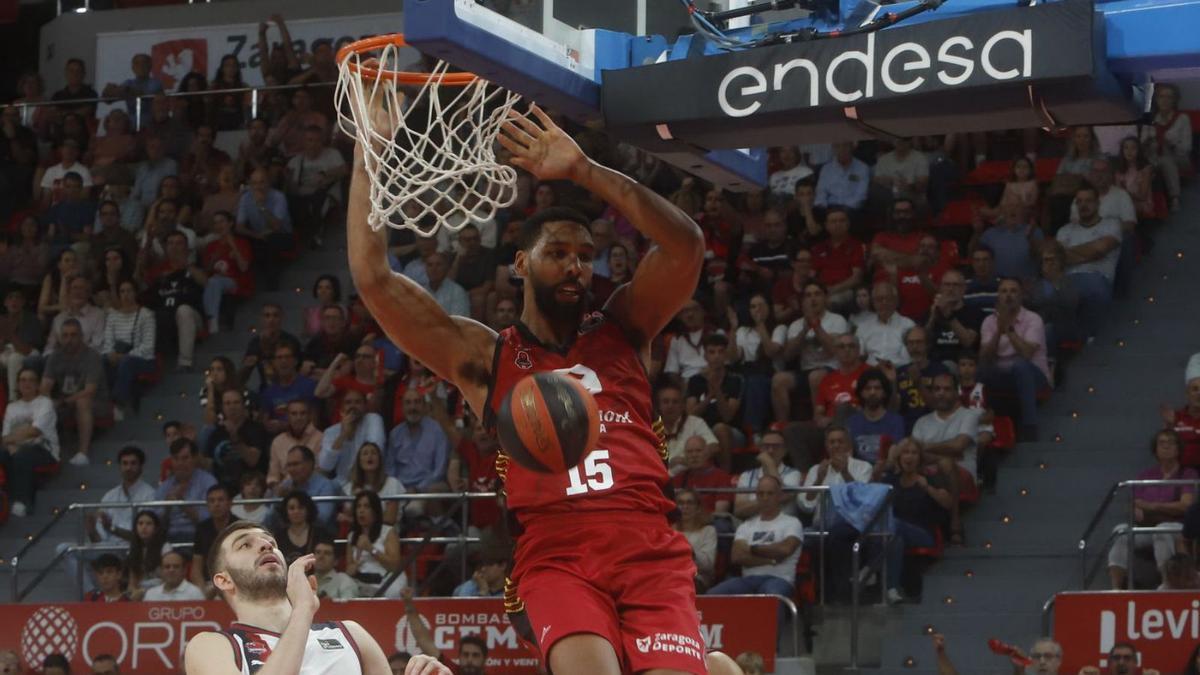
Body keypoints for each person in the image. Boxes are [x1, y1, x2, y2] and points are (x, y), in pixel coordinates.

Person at [349, 103, 714, 673]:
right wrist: (370, 152)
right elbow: (373, 279)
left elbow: (687, 245)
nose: (576, 267)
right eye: (559, 254)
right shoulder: (484, 356)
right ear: (520, 263)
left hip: (649, 546)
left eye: (587, 257)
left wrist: (586, 170)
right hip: (557, 553)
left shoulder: (625, 326)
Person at [183, 521, 417, 674]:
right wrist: (303, 610)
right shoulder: (210, 646)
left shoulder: (351, 634)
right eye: (245, 544)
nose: (266, 546)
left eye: (270, 543)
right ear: (223, 580)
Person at [707, 475, 803, 629]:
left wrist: (752, 549)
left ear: (779, 496)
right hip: (748, 579)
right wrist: (770, 559)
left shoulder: (792, 523)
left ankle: (772, 650)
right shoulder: (746, 525)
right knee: (713, 595)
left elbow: (784, 550)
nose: (765, 498)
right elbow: (737, 557)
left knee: (770, 596)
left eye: (770, 493)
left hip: (779, 579)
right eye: (761, 493)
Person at [1108, 430, 1197, 589]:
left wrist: (1151, 506)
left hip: (1177, 527)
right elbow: (1133, 503)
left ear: (1178, 449)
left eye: (1171, 443)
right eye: (1162, 443)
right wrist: (1135, 510)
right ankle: (1116, 588)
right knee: (1120, 531)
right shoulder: (1145, 475)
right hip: (1147, 526)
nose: (1166, 446)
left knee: (1162, 530)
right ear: (1155, 449)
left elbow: (1185, 506)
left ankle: (1167, 583)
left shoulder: (1188, 474)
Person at [912, 372, 980, 545]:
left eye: (947, 389)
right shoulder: (922, 422)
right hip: (928, 473)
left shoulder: (969, 416)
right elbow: (915, 454)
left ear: (957, 392)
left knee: (945, 463)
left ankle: (954, 521)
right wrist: (946, 451)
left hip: (963, 475)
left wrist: (926, 447)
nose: (941, 393)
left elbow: (959, 446)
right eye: (937, 389)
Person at [881, 438, 952, 602]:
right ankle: (891, 589)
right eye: (905, 452)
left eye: (914, 453)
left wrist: (927, 488)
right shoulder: (891, 481)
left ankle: (869, 567)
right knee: (896, 540)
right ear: (899, 457)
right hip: (895, 533)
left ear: (920, 458)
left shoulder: (929, 478)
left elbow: (947, 503)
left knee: (894, 524)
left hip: (924, 533)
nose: (909, 457)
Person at [979, 278, 1050, 441]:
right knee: (981, 370)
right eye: (1004, 291)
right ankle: (981, 423)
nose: (1008, 295)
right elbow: (985, 357)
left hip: (1033, 375)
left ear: (1021, 296)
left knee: (1020, 366)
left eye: (1013, 291)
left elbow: (1026, 354)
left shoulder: (1033, 319)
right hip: (1002, 374)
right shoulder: (989, 321)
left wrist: (1009, 329)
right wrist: (998, 330)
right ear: (998, 296)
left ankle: (1029, 426)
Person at [41, 319, 109, 466]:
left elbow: (90, 390)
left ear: (81, 336)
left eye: (73, 335)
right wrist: (47, 400)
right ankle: (43, 452)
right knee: (41, 402)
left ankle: (83, 453)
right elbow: (45, 386)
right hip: (65, 402)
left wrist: (62, 402)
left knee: (82, 401)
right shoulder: (55, 357)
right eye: (65, 335)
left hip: (96, 403)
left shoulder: (92, 356)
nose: (69, 340)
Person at [1056, 185, 1121, 338]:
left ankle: (1089, 339)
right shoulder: (1064, 230)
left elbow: (1099, 250)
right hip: (1067, 279)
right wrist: (1090, 252)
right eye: (1079, 201)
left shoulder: (1111, 224)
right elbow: (1058, 259)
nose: (1084, 205)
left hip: (1096, 277)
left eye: (1088, 201)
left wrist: (1069, 254)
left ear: (1098, 203)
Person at [144, 230, 206, 371]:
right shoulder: (158, 271)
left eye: (179, 243)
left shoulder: (194, 268)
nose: (174, 247)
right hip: (164, 317)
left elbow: (206, 283)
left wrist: (186, 265)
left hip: (192, 318)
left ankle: (185, 362)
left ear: (186, 247)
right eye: (170, 243)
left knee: (183, 310)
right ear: (165, 247)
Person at [2, 367, 60, 516]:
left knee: (23, 454)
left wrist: (15, 439)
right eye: (22, 380)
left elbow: (34, 431)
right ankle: (5, 501)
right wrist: (12, 443)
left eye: (31, 380)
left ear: (38, 384)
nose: (26, 383)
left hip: (45, 450)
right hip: (15, 448)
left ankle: (22, 502)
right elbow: (5, 437)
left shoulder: (45, 403)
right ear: (17, 384)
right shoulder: (11, 407)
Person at [400, 590, 489, 674]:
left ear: (485, 659)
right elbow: (424, 641)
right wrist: (409, 607)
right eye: (465, 655)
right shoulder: (450, 670)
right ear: (459, 657)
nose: (469, 660)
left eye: (475, 655)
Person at [101, 280, 156, 415]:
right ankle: (102, 401)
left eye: (129, 291)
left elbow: (148, 346)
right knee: (102, 360)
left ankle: (118, 402)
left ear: (135, 293)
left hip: (142, 358)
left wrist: (125, 356)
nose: (125, 294)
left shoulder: (146, 315)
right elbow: (108, 341)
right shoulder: (113, 315)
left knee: (127, 362)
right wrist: (111, 353)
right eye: (122, 291)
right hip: (118, 354)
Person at [1139, 83, 1192, 212]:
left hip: (1180, 159)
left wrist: (1171, 143)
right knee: (1159, 161)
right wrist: (1148, 142)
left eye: (1169, 97)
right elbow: (1140, 144)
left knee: (1166, 160)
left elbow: (1186, 148)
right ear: (1156, 100)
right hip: (1153, 157)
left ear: (1175, 100)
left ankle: (1175, 198)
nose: (1165, 100)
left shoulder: (1182, 118)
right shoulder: (1150, 119)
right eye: (1161, 96)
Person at [385, 389, 450, 493]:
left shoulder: (437, 430)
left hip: (427, 489)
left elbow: (439, 470)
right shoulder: (395, 434)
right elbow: (390, 470)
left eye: (417, 402)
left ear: (424, 406)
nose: (413, 407)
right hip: (399, 491)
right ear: (402, 408)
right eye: (408, 403)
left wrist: (418, 489)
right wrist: (398, 489)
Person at [155, 438, 219, 541]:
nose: (180, 463)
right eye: (176, 458)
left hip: (199, 538)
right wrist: (167, 507)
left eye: (185, 458)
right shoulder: (165, 486)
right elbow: (155, 523)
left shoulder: (208, 482)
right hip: (169, 539)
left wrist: (183, 503)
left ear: (194, 459)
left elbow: (210, 521)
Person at [346, 491, 405, 598]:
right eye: (358, 506)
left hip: (384, 578)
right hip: (362, 579)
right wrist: (351, 568)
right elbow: (349, 566)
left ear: (375, 511)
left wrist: (371, 549)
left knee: (394, 591)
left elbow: (394, 566)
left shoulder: (388, 532)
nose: (361, 511)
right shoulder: (352, 536)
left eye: (366, 506)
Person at [734, 429, 803, 519]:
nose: (770, 451)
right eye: (766, 446)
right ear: (760, 449)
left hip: (783, 527)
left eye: (776, 446)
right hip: (752, 527)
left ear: (785, 450)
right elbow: (739, 510)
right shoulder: (746, 476)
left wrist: (769, 464)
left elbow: (783, 495)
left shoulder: (794, 474)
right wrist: (771, 500)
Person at [846, 369, 906, 470]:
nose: (872, 392)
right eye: (868, 388)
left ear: (884, 392)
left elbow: (895, 456)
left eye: (877, 388)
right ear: (861, 392)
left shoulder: (896, 421)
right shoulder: (852, 422)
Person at [190, 484, 241, 597]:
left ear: (230, 503)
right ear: (207, 505)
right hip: (208, 584)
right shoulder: (202, 529)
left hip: (235, 583)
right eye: (212, 501)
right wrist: (202, 591)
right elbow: (196, 568)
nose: (216, 504)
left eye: (220, 500)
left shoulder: (240, 528)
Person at [340, 441, 405, 527]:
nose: (369, 456)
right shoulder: (349, 487)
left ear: (380, 459)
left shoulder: (392, 483)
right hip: (358, 533)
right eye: (365, 453)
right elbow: (345, 518)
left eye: (373, 453)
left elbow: (390, 519)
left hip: (386, 534)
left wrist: (360, 519)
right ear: (359, 461)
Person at [274, 445, 340, 526]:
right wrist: (277, 502)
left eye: (295, 464)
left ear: (310, 463)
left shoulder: (325, 486)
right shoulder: (286, 485)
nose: (291, 469)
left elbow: (322, 519)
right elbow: (268, 521)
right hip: (288, 535)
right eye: (289, 465)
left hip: (318, 536)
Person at [855, 281, 914, 368]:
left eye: (888, 299)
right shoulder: (863, 327)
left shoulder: (908, 325)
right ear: (873, 302)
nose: (884, 302)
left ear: (896, 301)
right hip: (871, 372)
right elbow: (859, 355)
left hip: (900, 371)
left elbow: (911, 357)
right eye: (879, 299)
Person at [269, 400, 323, 489]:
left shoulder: (321, 438)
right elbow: (273, 476)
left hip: (313, 489)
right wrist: (276, 488)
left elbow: (321, 471)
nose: (298, 417)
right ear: (287, 416)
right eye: (294, 414)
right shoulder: (278, 441)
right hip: (284, 491)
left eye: (303, 413)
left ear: (309, 416)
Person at [674, 488, 718, 592]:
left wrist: (688, 550)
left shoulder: (708, 531)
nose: (685, 507)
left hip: (698, 578)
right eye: (681, 503)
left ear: (698, 508)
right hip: (671, 575)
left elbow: (708, 564)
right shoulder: (669, 529)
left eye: (690, 503)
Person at [272, 490, 327, 566]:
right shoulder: (279, 536)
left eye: (300, 507)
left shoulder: (320, 533)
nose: (296, 511)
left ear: (308, 510)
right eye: (292, 508)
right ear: (285, 511)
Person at [815, 141, 869, 211]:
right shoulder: (826, 169)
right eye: (837, 146)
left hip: (852, 209)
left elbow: (861, 195)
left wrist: (844, 209)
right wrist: (822, 207)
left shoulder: (862, 168)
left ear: (852, 147)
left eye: (845, 145)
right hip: (830, 208)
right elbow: (821, 192)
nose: (841, 149)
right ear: (833, 149)